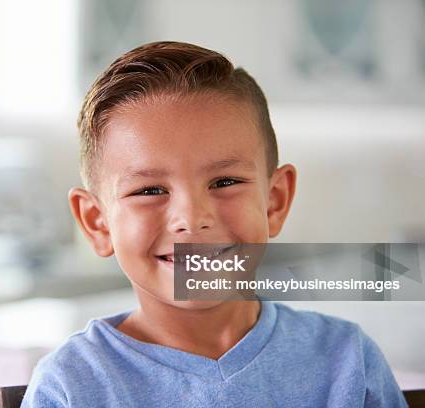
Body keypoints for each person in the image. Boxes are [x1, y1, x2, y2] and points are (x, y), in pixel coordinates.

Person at [21, 41, 407, 407]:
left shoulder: (347, 360)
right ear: (97, 223)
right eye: (150, 190)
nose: (191, 219)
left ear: (275, 201)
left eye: (225, 183)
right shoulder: (72, 384)